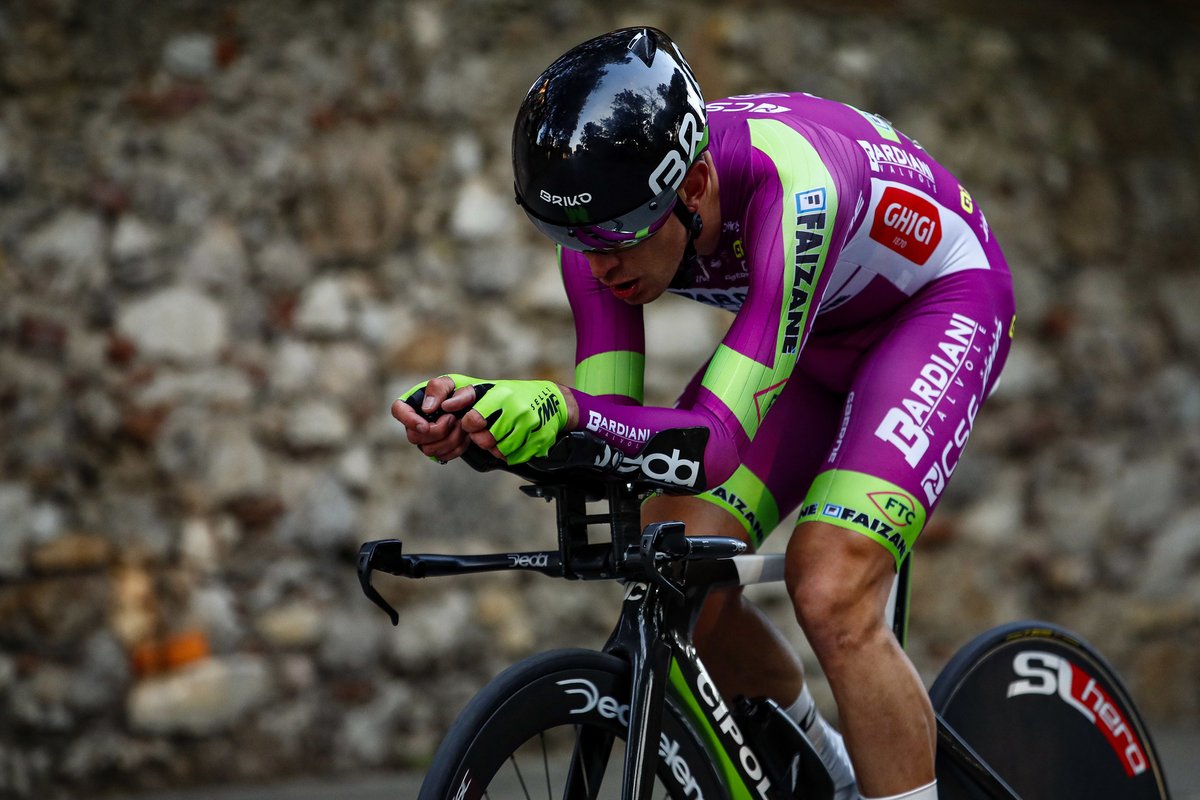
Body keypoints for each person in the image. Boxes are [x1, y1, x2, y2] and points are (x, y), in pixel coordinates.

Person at [393, 26, 1014, 800]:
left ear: (692, 189)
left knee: (830, 585)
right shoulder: (604, 225)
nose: (597, 264)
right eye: (570, 240)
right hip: (810, 346)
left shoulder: (796, 191)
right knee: (676, 554)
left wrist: (560, 413)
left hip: (934, 310)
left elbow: (714, 446)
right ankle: (823, 772)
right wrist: (493, 428)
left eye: (617, 236)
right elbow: (610, 428)